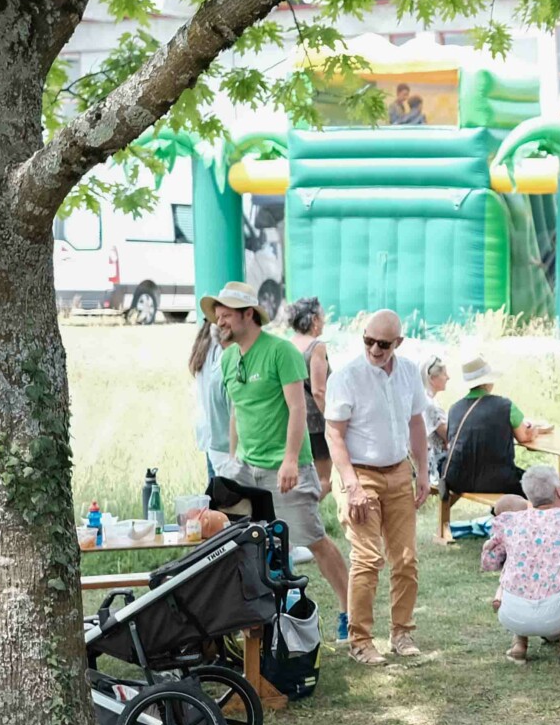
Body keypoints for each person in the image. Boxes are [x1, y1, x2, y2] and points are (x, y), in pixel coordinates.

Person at [209, 281, 348, 628]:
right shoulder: (228, 358)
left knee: (314, 539)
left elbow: (297, 408)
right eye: (217, 316)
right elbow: (238, 412)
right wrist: (230, 459)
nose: (219, 322)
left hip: (286, 467)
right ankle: (243, 617)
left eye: (226, 315)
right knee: (226, 537)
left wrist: (290, 460)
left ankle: (352, 613)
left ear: (248, 315)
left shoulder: (280, 351)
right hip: (243, 466)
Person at [322, 310, 431, 665]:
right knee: (368, 559)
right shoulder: (347, 376)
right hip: (359, 474)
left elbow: (416, 423)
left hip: (399, 470)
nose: (374, 349)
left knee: (405, 559)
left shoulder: (409, 372)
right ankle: (361, 640)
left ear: (398, 343)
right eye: (368, 340)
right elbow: (334, 434)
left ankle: (402, 633)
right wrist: (351, 486)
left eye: (383, 344)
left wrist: (424, 473)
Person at [486, 465, 560, 663]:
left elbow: (489, 562)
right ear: (559, 492)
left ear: (529, 497)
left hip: (513, 616)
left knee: (521, 580)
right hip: (559, 613)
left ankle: (519, 645)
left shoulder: (510, 522)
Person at [437, 354, 542, 539]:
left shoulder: (454, 408)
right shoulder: (505, 405)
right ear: (487, 383)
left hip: (457, 477)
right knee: (531, 483)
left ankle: (495, 519)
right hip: (499, 479)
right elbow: (524, 436)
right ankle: (529, 531)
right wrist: (534, 430)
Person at [286, 296, 334, 475]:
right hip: (316, 422)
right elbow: (319, 391)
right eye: (322, 316)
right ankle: (307, 504)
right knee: (325, 479)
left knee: (299, 474)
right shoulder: (316, 347)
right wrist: (332, 420)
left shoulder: (288, 345)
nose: (324, 321)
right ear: (314, 319)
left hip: (292, 420)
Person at [189, 316, 239, 481]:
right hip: (221, 431)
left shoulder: (201, 348)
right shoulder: (221, 350)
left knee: (216, 489)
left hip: (207, 428)